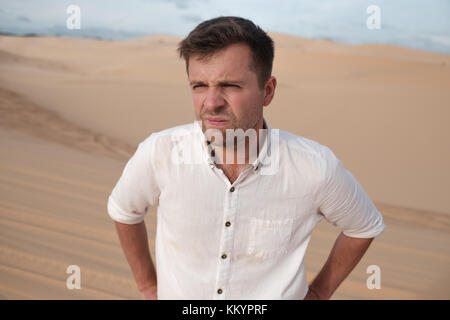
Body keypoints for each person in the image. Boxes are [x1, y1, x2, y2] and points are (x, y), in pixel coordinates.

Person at [107, 16, 385, 300]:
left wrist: (319, 293)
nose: (211, 102)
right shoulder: (160, 152)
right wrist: (148, 287)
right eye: (199, 86)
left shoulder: (314, 166)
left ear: (268, 91)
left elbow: (364, 225)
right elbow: (124, 210)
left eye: (230, 85)